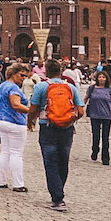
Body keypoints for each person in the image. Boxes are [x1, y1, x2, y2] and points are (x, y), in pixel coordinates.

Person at [29, 58, 86, 212]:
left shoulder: (41, 86)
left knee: (50, 162)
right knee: (63, 161)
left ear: (46, 71)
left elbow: (33, 108)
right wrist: (69, 120)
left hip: (48, 128)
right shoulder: (71, 87)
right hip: (66, 130)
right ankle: (59, 191)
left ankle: (57, 198)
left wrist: (30, 122)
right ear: (61, 71)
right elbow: (81, 111)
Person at [0, 62, 32, 192]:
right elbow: (15, 105)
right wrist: (30, 111)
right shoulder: (14, 88)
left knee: (5, 152)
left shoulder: (2, 86)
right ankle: (18, 184)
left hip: (2, 122)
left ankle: (0, 181)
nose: (23, 78)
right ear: (13, 74)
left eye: (25, 76)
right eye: (21, 75)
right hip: (15, 123)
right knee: (16, 154)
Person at [86, 71, 111, 166]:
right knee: (96, 135)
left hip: (107, 116)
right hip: (95, 115)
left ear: (106, 79)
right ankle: (95, 151)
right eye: (100, 77)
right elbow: (85, 99)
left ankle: (105, 157)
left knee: (105, 137)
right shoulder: (92, 88)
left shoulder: (110, 90)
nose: (101, 79)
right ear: (97, 78)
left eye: (103, 77)